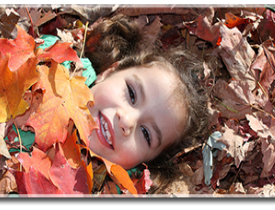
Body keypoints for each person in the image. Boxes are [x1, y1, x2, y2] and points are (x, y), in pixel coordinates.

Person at [84, 14, 209, 193]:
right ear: (109, 72)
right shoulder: (49, 66)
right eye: (132, 95)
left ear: (144, 164)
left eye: (146, 134)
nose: (127, 121)